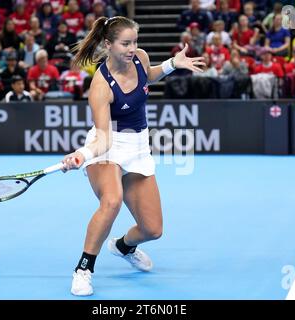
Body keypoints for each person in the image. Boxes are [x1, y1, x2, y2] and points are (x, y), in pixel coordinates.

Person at [61, 16, 204, 296]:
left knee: (153, 229)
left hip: (138, 147)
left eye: (134, 42)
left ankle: (123, 246)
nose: (131, 48)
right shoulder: (101, 86)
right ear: (108, 44)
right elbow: (103, 137)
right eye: (125, 43)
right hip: (108, 145)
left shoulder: (139, 57)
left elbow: (148, 76)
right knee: (111, 201)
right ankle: (83, 269)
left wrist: (173, 64)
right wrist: (82, 154)